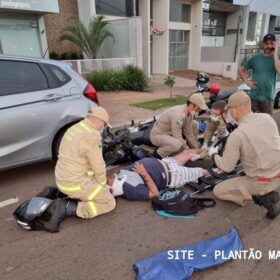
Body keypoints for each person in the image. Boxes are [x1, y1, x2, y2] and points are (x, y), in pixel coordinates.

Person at [209, 91, 280, 219]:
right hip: (278, 174)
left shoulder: (237, 135)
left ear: (234, 111)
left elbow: (227, 167)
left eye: (230, 111)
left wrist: (214, 155)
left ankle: (262, 197)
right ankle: (265, 192)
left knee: (218, 191)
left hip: (262, 182)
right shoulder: (267, 118)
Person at [44, 106, 116, 232]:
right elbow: (98, 166)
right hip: (75, 183)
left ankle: (62, 193)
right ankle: (69, 208)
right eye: (104, 124)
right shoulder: (92, 136)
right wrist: (102, 185)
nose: (103, 128)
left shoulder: (74, 128)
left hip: (61, 178)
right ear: (99, 121)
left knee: (90, 180)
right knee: (109, 202)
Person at [107, 149, 210, 201]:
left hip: (165, 162)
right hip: (173, 175)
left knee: (188, 152)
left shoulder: (117, 176)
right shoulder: (128, 189)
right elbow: (154, 194)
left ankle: (209, 150)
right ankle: (223, 167)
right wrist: (144, 174)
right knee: (203, 172)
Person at [150, 93, 208, 158]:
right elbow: (177, 136)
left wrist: (197, 149)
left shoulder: (189, 113)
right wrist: (187, 150)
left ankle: (190, 148)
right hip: (158, 135)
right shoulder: (178, 115)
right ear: (191, 105)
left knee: (195, 124)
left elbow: (189, 133)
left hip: (170, 133)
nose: (200, 110)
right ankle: (157, 154)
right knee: (177, 144)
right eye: (199, 107)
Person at [239, 33, 280, 115]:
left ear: (275, 45)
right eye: (266, 43)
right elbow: (241, 69)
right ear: (263, 44)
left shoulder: (277, 58)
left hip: (268, 99)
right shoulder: (255, 58)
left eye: (271, 43)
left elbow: (279, 70)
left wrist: (275, 53)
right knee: (252, 123)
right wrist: (246, 81)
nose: (268, 46)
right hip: (254, 97)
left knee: (267, 124)